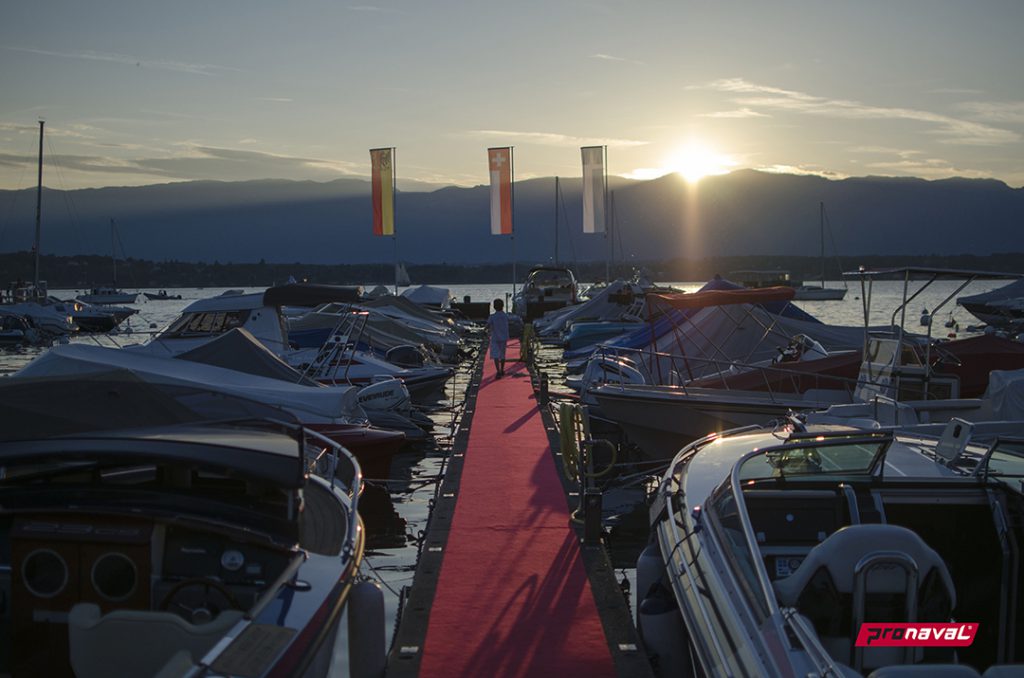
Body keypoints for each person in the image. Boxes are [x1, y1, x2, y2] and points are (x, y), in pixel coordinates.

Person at [486, 298, 509, 378]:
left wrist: (485, 330)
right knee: (503, 354)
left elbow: (488, 325)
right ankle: (502, 369)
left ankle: (498, 371)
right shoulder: (505, 316)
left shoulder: (492, 317)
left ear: (494, 307)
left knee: (496, 354)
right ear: (502, 306)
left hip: (495, 337)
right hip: (504, 337)